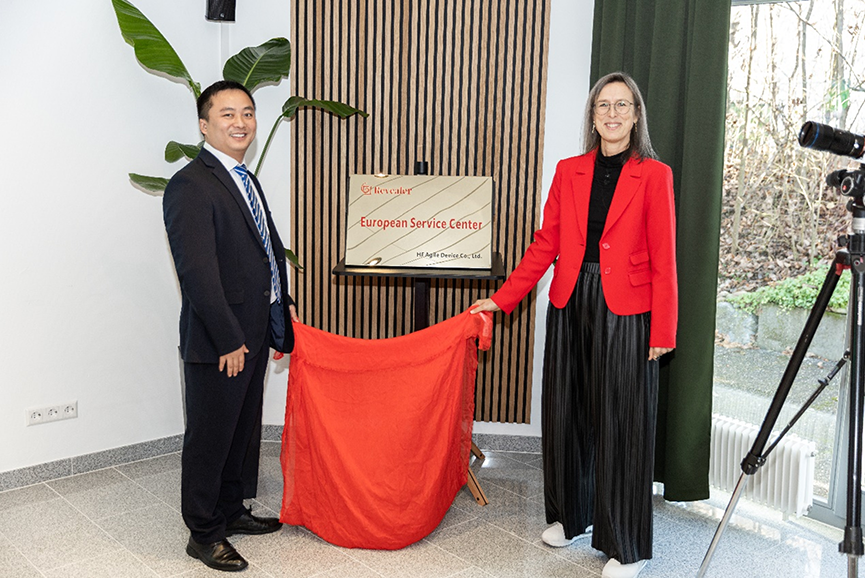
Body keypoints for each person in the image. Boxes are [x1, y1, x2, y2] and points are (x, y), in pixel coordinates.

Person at [471, 71, 676, 578]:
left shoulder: (655, 175)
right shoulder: (569, 170)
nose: (612, 113)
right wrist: (502, 299)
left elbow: (665, 257)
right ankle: (572, 517)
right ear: (592, 115)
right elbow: (546, 244)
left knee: (622, 424)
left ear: (636, 115)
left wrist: (663, 332)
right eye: (603, 105)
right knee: (566, 415)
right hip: (570, 300)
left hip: (627, 310)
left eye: (622, 105)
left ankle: (627, 547)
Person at [163, 80, 300, 572]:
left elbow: (264, 251)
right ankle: (203, 532)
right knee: (211, 436)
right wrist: (228, 339)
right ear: (204, 125)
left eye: (247, 112)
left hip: (255, 329)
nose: (240, 122)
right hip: (221, 339)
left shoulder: (244, 178)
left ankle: (230, 510)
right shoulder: (190, 185)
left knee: (241, 431)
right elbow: (197, 273)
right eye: (227, 114)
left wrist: (280, 307)